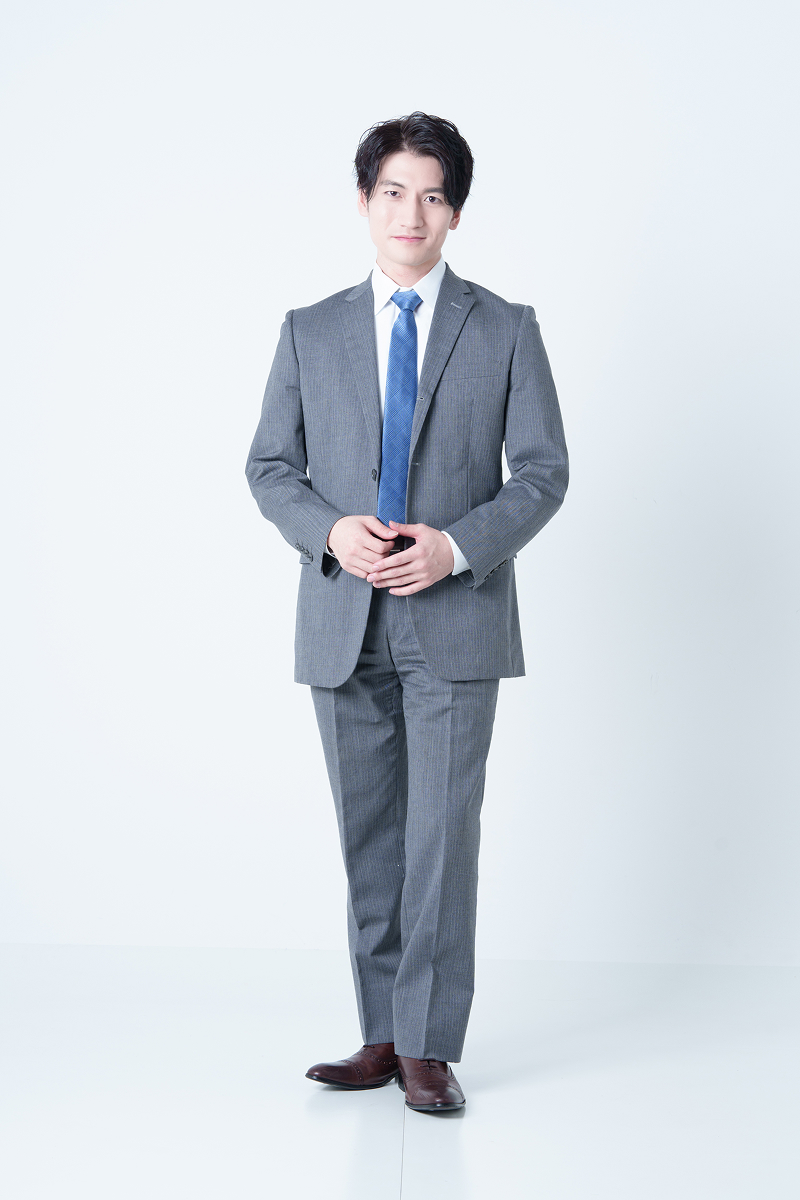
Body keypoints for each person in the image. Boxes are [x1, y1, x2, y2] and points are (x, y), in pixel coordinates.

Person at [246, 112, 568, 1113]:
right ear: (364, 202)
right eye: (393, 192)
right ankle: (381, 1034)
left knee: (440, 838)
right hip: (343, 619)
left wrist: (455, 546)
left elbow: (543, 473)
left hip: (455, 616)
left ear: (455, 213)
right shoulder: (308, 331)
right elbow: (270, 467)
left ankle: (429, 1044)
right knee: (371, 837)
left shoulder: (504, 328)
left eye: (431, 195)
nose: (410, 213)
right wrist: (330, 531)